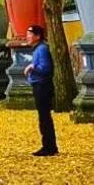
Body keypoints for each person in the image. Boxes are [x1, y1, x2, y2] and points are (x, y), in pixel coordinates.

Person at [23, 24, 58, 156]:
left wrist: (32, 67)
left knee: (44, 117)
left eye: (30, 34)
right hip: (39, 85)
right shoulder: (38, 49)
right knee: (44, 116)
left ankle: (48, 146)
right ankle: (49, 145)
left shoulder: (42, 49)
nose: (27, 37)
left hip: (42, 86)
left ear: (38, 36)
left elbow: (46, 68)